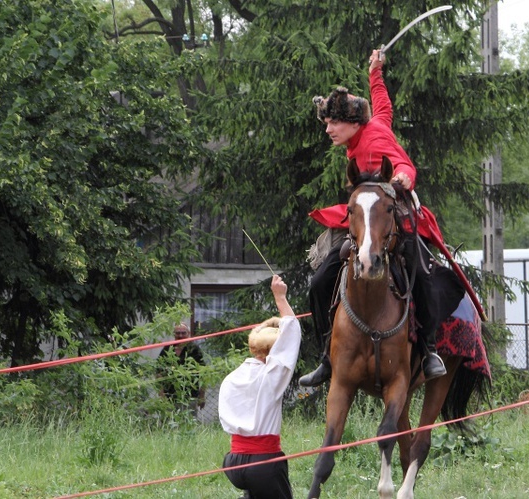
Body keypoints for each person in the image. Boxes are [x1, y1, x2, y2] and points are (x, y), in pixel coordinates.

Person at [300, 49, 464, 387]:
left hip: (397, 223)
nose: (328, 129)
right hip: (364, 223)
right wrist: (375, 72)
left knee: (422, 280)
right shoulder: (373, 123)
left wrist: (403, 176)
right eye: (326, 122)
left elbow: (402, 163)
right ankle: (326, 357)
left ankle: (430, 350)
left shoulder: (372, 139)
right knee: (319, 285)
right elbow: (383, 107)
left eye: (334, 122)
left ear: (353, 123)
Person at [219, 274, 301, 499]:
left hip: (233, 463)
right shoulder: (270, 378)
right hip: (264, 463)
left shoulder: (231, 379)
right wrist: (280, 298)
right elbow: (292, 336)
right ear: (274, 352)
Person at [157, 323, 206, 412]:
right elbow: (158, 372)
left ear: (189, 334)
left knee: (189, 421)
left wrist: (202, 395)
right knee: (168, 422)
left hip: (190, 395)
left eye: (183, 333)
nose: (180, 335)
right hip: (170, 396)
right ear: (174, 334)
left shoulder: (194, 349)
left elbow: (203, 372)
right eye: (178, 333)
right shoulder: (168, 348)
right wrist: (161, 394)